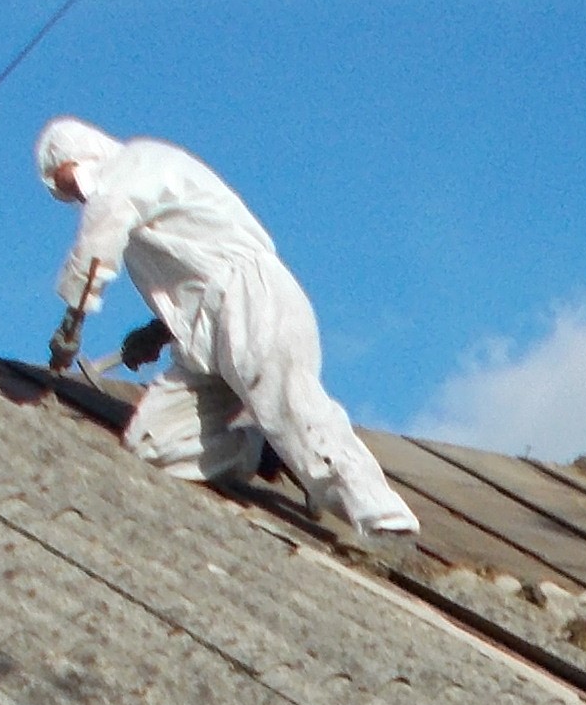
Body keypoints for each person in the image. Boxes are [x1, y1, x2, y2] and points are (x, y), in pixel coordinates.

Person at [36, 116, 418, 538]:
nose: (69, 194)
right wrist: (159, 331)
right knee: (151, 444)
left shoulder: (132, 167)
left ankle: (385, 523)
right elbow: (195, 275)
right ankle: (263, 452)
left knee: (295, 408)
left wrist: (73, 321)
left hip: (252, 302)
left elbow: (101, 239)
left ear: (80, 156)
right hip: (205, 335)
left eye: (64, 180)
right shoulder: (128, 197)